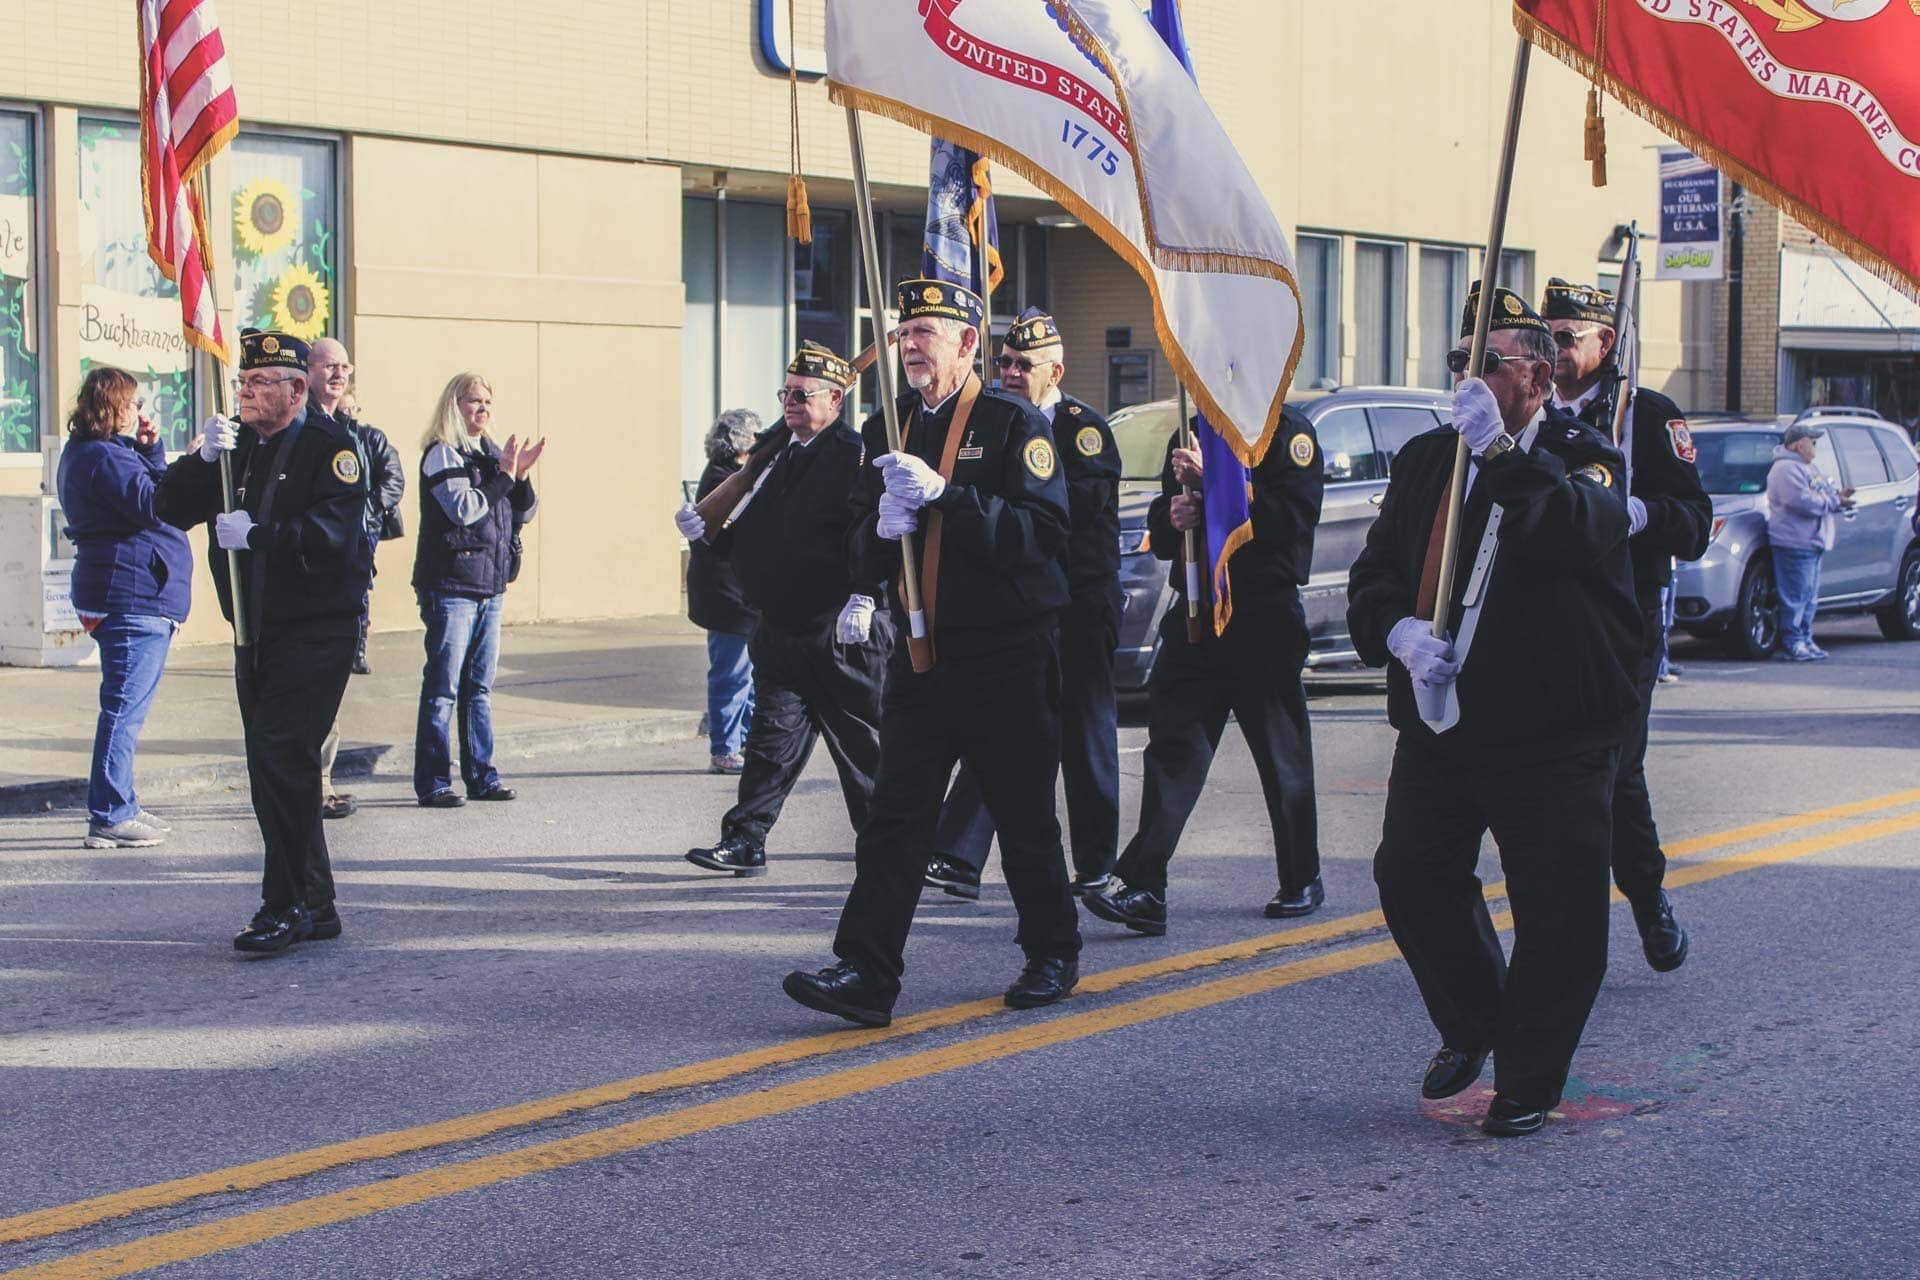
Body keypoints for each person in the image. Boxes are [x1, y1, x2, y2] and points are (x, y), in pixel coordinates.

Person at [1346, 285, 1641, 1137]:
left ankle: (1529, 1076)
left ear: (1539, 378)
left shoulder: (1586, 454)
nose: (1467, 379)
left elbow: (1573, 527)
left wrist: (1501, 452)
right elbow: (1376, 574)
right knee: (1410, 874)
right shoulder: (1427, 459)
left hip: (1557, 731)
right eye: (1457, 361)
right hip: (1445, 720)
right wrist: (1396, 630)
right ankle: (1474, 1020)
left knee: (1558, 909)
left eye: (1490, 363)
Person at [782, 279, 1081, 1027]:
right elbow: (858, 538)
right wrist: (876, 539)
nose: (913, 345)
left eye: (929, 333)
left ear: (969, 344)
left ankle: (1052, 949)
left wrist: (949, 496)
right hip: (921, 654)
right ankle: (866, 972)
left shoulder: (1013, 423)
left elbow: (1043, 537)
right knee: (895, 819)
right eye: (906, 333)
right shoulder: (891, 425)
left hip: (1006, 653)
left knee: (1022, 815)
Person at [154, 329, 374, 954]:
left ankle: (285, 907)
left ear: (296, 388)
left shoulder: (331, 447)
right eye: (242, 383)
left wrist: (261, 536)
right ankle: (317, 901)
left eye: (258, 384)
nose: (246, 394)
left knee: (281, 757)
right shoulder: (238, 445)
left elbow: (337, 536)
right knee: (278, 769)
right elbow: (169, 506)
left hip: (316, 629)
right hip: (253, 633)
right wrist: (199, 460)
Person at [1082, 402, 1325, 937]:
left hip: (1262, 615)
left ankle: (1301, 876)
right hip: (1195, 612)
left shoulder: (1286, 434)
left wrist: (1215, 488)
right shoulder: (1196, 426)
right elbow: (1166, 520)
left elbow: (1292, 523)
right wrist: (1173, 517)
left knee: (1280, 755)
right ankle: (1146, 886)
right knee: (1172, 751)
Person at [923, 308, 1122, 900]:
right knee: (1004, 728)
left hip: (1080, 603)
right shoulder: (993, 424)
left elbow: (1071, 522)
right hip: (1022, 603)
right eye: (1003, 361)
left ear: (1054, 369)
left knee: (1084, 736)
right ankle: (959, 855)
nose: (1009, 372)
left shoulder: (1082, 431)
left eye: (1022, 364)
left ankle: (1094, 865)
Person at [1543, 277, 1712, 973]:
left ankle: (1645, 897)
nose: (1550, 353)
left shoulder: (1649, 414)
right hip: (1546, 619)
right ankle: (1558, 928)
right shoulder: (1530, 415)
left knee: (1614, 770)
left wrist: (1642, 514)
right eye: (1543, 339)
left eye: (1564, 339)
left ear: (1604, 341)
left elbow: (1696, 524)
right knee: (1544, 777)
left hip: (1625, 621)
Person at [675, 344, 892, 876]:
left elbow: (873, 531)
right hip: (782, 628)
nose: (790, 403)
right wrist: (707, 539)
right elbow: (754, 532)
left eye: (801, 394)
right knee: (770, 744)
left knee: (864, 752)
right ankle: (746, 839)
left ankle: (890, 847)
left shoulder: (854, 456)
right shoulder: (779, 456)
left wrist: (866, 593)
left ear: (836, 399)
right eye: (786, 394)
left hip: (838, 629)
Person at [57, 366, 193, 850]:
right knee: (122, 711)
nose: (141, 412)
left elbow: (144, 492)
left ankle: (121, 804)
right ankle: (110, 813)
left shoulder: (105, 452)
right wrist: (191, 463)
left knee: (124, 707)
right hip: (130, 595)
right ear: (113, 406)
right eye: (134, 403)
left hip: (129, 591)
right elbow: (155, 503)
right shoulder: (102, 457)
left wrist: (152, 450)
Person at [411, 372, 543, 808]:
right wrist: (504, 476)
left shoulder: (490, 454)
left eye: (488, 402)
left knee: (478, 687)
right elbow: (465, 509)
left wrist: (519, 477)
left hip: (490, 585)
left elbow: (523, 514)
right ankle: (433, 782)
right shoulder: (441, 453)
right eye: (473, 402)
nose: (483, 410)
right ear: (454, 405)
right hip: (451, 586)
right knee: (443, 686)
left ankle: (482, 777)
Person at [309, 339, 405, 820]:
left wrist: (363, 514)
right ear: (307, 371)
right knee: (308, 696)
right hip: (307, 581)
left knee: (331, 692)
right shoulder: (300, 427)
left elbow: (388, 481)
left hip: (347, 572)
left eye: (345, 366)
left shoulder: (357, 433)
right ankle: (308, 789)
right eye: (330, 365)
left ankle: (320, 787)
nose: (339, 374)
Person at [684, 409, 762, 775]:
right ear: (742, 442)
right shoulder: (725, 479)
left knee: (745, 675)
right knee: (731, 675)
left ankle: (742, 740)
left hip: (734, 593)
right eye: (756, 436)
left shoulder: (727, 475)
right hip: (726, 595)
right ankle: (725, 748)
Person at [1765, 420, 1852, 662]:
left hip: (1811, 542)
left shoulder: (1807, 468)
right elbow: (1803, 501)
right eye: (1812, 442)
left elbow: (1819, 493)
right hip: (1793, 541)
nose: (1814, 447)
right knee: (1795, 596)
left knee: (1809, 596)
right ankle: (1792, 641)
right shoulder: (1785, 469)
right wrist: (1834, 502)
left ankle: (1805, 638)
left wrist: (1837, 497)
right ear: (1799, 445)